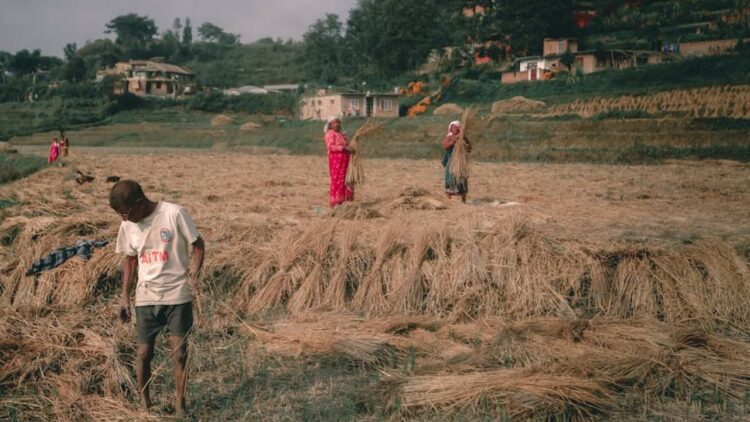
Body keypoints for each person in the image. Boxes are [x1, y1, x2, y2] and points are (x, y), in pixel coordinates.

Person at [110, 180, 205, 416]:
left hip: (177, 296)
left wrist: (194, 274)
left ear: (139, 203)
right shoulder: (128, 226)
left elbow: (198, 245)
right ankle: (145, 405)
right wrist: (124, 296)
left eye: (126, 213)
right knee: (143, 354)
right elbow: (130, 260)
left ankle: (180, 406)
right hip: (146, 297)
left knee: (180, 353)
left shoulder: (174, 213)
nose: (124, 220)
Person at [324, 117, 354, 207]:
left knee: (343, 179)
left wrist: (351, 147)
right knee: (336, 179)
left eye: (337, 123)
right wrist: (343, 148)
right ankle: (335, 201)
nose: (336, 124)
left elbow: (347, 145)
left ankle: (342, 201)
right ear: (330, 125)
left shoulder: (342, 135)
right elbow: (331, 147)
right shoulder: (329, 134)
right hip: (335, 160)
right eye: (334, 123)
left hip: (344, 160)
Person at [441, 120, 472, 203]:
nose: (454, 129)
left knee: (461, 179)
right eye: (453, 127)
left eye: (456, 127)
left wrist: (465, 145)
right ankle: (449, 198)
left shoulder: (463, 137)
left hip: (461, 163)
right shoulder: (449, 137)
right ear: (450, 129)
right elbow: (445, 146)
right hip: (452, 162)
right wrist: (454, 141)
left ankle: (463, 199)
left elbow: (469, 149)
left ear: (459, 129)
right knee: (451, 178)